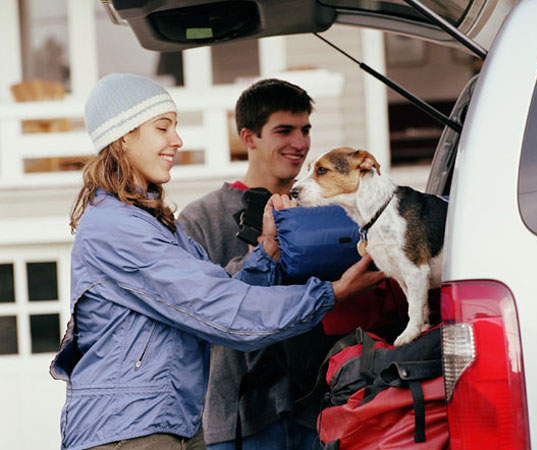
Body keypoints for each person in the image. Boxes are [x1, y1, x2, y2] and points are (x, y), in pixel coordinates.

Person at [49, 73, 385, 450]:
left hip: (166, 423)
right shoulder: (119, 229)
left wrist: (268, 250)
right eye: (163, 128)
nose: (177, 140)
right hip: (128, 430)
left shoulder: (148, 222)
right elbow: (219, 309)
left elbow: (219, 289)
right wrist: (330, 293)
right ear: (124, 136)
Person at [178, 79, 336, 450]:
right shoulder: (201, 218)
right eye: (284, 130)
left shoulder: (328, 209)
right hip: (239, 422)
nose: (299, 143)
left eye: (305, 130)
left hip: (319, 412)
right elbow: (197, 312)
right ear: (248, 137)